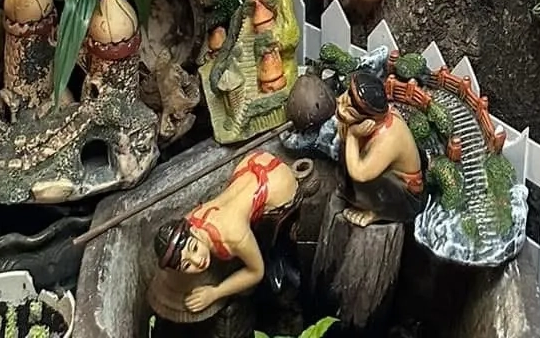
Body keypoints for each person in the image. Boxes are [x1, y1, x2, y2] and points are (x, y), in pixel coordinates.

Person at [150, 150, 305, 320]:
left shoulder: (235, 236)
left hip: (278, 184)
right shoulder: (190, 220)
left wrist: (215, 293)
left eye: (194, 248)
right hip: (254, 163)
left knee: (271, 257)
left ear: (194, 231)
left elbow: (256, 272)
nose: (197, 260)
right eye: (187, 265)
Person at [336, 66, 425, 225]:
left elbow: (360, 173)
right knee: (346, 150)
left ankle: (377, 211)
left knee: (364, 173)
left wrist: (353, 136)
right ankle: (353, 195)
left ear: (370, 119)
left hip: (402, 196)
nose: (340, 109)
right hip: (379, 171)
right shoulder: (368, 123)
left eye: (349, 111)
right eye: (343, 98)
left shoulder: (388, 137)